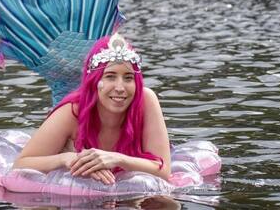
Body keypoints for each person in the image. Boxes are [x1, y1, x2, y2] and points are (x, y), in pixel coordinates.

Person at [13, 33, 171, 185]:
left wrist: (117, 159)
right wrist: (67, 158)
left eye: (128, 78)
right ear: (94, 81)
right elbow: (21, 164)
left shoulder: (146, 100)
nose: (120, 87)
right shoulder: (71, 111)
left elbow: (164, 171)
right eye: (110, 76)